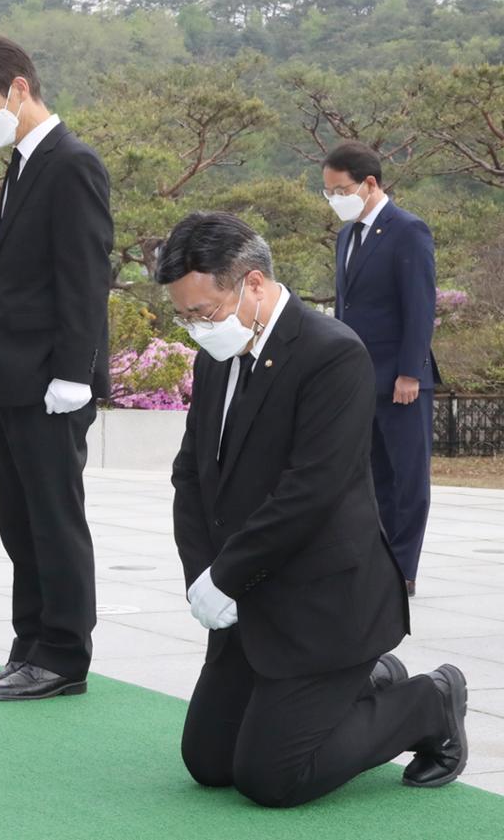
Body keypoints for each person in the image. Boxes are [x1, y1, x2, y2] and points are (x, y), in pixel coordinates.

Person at [155, 211, 467, 807]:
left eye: (203, 312)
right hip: (249, 600)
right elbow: (190, 474)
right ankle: (363, 687)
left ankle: (428, 703)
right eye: (184, 316)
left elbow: (312, 490)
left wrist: (228, 574)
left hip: (324, 604)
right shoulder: (215, 356)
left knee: (272, 778)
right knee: (209, 763)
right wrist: (202, 572)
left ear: (251, 284)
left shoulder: (332, 353)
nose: (195, 329)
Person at [0, 36, 113, 700]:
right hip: (9, 375)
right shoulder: (23, 162)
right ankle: (30, 644)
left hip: (49, 380)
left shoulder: (73, 163)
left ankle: (64, 654)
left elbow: (83, 275)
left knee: (53, 517)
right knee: (19, 520)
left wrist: (74, 372)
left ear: (19, 88)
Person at [322, 141, 440, 597]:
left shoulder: (408, 230)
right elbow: (346, 310)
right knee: (371, 477)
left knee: (408, 478)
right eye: (328, 192)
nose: (334, 199)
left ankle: (403, 569)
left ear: (369, 183)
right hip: (358, 379)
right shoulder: (347, 235)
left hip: (401, 380)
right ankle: (376, 560)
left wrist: (410, 372)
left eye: (341, 189)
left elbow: (419, 306)